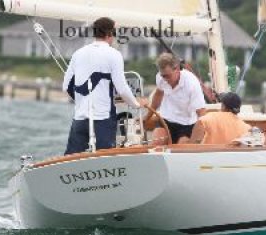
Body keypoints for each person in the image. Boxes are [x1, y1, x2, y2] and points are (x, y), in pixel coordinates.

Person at [63, 17, 146, 155]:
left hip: (80, 118)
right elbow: (122, 88)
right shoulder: (114, 55)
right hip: (103, 119)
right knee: (105, 159)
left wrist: (82, 101)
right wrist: (136, 104)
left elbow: (66, 86)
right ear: (110, 33)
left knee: (71, 159)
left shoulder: (78, 53)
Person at [144, 53, 206, 144]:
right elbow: (158, 96)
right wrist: (146, 117)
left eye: (167, 76)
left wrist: (202, 135)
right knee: (156, 143)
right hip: (166, 120)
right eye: (162, 75)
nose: (165, 79)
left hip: (186, 125)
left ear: (177, 69)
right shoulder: (161, 77)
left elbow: (201, 112)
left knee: (181, 149)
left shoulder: (191, 83)